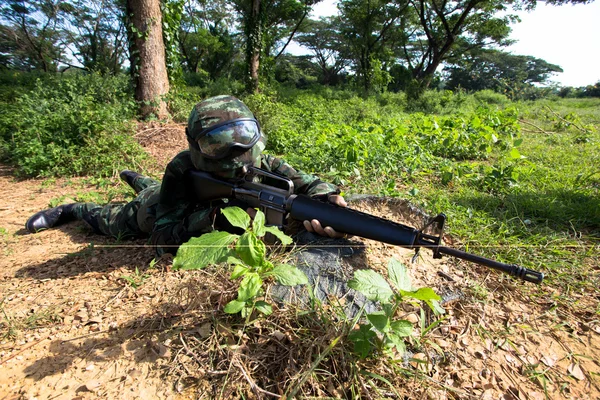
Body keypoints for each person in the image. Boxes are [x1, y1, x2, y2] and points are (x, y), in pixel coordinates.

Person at [25, 95, 347, 255]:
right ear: (195, 146)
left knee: (145, 184)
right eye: (217, 148)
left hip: (169, 196)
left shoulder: (263, 161)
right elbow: (161, 240)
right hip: (151, 212)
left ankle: (135, 176)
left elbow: (311, 183)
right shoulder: (182, 168)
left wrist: (328, 200)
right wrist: (216, 220)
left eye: (243, 152)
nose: (236, 163)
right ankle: (70, 209)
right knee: (115, 216)